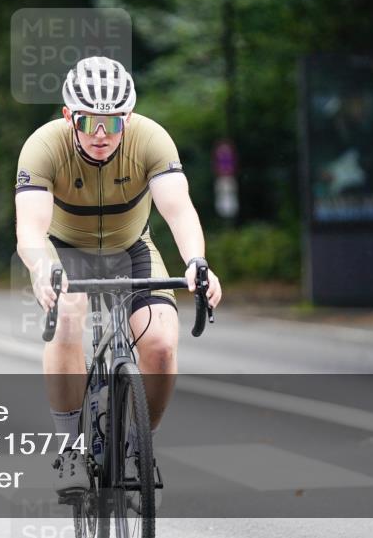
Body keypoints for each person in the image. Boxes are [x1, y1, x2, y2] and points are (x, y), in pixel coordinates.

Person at [14, 56, 222, 494]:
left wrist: (196, 261)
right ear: (68, 116)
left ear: (127, 116)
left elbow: (178, 209)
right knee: (68, 315)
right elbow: (30, 228)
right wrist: (42, 268)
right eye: (88, 122)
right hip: (65, 251)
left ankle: (138, 447)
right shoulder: (42, 146)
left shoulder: (151, 139)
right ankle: (70, 451)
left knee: (161, 344)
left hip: (131, 248)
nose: (101, 135)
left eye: (112, 122)